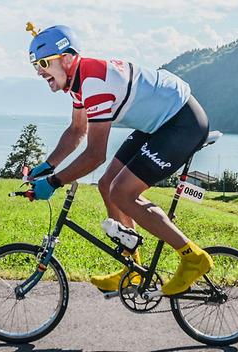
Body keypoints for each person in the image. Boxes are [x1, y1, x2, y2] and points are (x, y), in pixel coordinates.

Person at [25, 22, 213, 295]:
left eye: (43, 63)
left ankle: (192, 256)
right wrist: (48, 165)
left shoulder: (93, 82)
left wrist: (54, 182)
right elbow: (78, 130)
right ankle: (133, 269)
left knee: (123, 192)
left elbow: (95, 155)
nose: (40, 72)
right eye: (35, 66)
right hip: (158, 124)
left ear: (66, 59)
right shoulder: (78, 82)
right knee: (106, 186)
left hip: (182, 123)